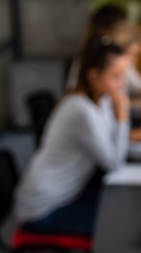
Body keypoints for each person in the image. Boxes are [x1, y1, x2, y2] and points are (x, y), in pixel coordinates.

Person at [15, 34, 131, 237]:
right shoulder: (80, 110)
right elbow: (114, 162)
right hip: (42, 211)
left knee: (122, 209)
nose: (121, 84)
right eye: (115, 77)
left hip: (67, 195)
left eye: (123, 76)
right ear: (94, 75)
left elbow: (113, 144)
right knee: (119, 226)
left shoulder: (99, 101)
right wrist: (122, 117)